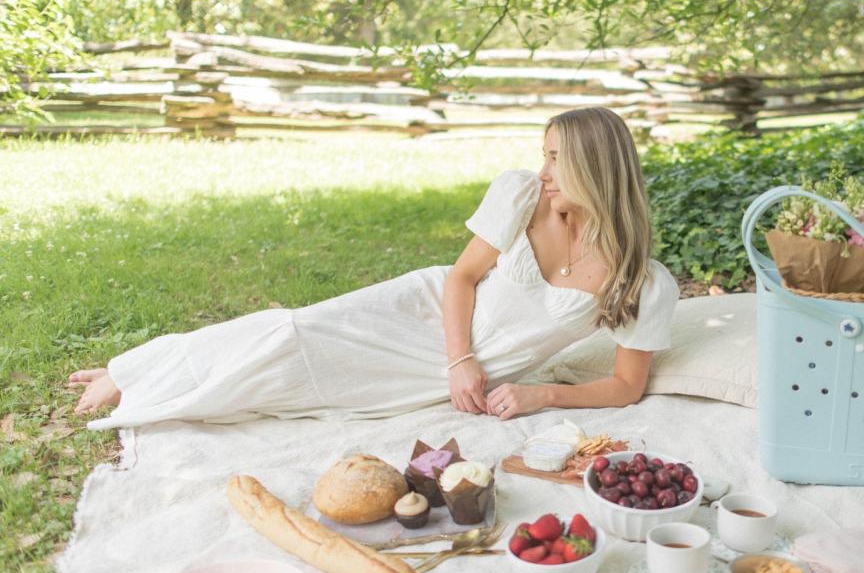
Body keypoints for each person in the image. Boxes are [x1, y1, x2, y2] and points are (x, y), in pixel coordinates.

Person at [70, 107, 679, 428]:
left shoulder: (643, 281)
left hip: (460, 373)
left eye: (555, 159)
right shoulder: (522, 193)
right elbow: (461, 278)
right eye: (542, 155)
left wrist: (541, 394)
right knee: (291, 330)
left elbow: (627, 388)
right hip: (438, 318)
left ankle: (162, 378)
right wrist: (460, 359)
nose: (542, 170)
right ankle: (138, 374)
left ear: (596, 169)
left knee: (301, 391)